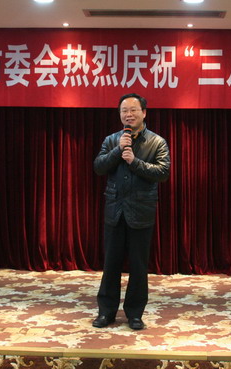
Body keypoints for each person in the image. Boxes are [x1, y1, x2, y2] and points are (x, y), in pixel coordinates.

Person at [92, 93, 170, 330]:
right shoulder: (112, 140)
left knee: (138, 266)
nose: (128, 115)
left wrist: (135, 162)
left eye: (133, 110)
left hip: (141, 211)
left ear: (144, 113)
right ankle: (106, 312)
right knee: (111, 265)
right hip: (114, 212)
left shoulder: (157, 142)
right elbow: (98, 167)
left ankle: (135, 314)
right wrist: (118, 151)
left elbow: (163, 173)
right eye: (124, 111)